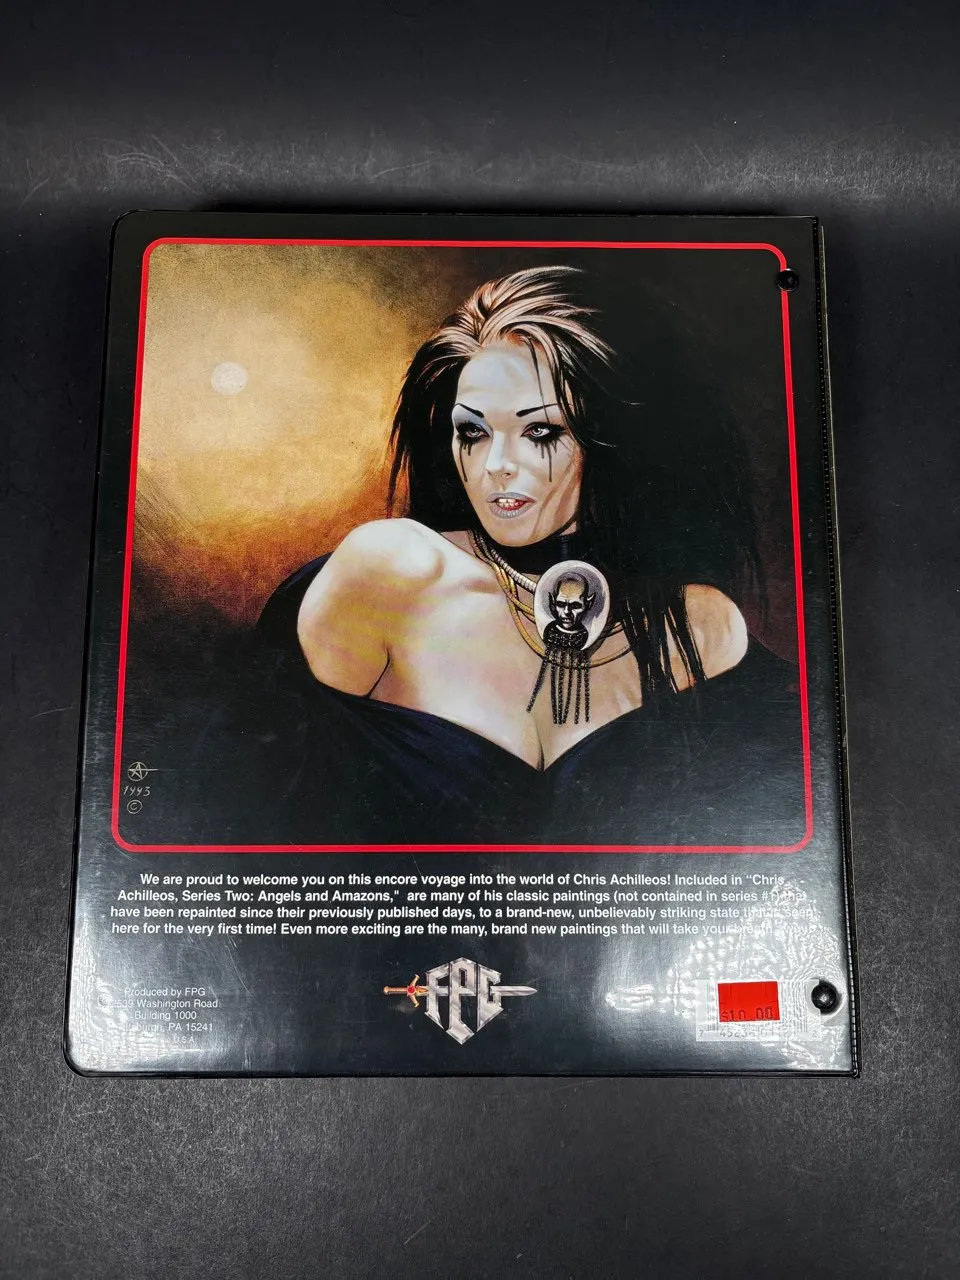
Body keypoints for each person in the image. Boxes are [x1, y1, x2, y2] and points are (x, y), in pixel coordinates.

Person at [256, 266, 804, 845]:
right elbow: (250, 813)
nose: (495, 465)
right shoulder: (394, 572)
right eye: (473, 433)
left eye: (540, 433)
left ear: (615, 437)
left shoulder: (699, 624)